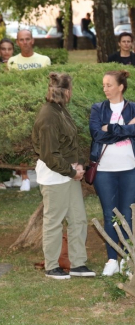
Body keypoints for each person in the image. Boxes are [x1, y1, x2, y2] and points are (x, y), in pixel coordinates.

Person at [32, 73, 96, 280]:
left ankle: (78, 264)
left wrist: (78, 165)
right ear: (66, 91)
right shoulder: (48, 115)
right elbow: (50, 155)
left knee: (78, 219)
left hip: (68, 174)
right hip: (54, 176)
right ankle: (52, 266)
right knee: (54, 221)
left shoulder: (60, 110)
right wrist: (71, 171)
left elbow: (71, 141)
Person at [89, 70, 135, 276]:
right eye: (103, 85)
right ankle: (112, 259)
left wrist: (109, 129)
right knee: (109, 214)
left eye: (109, 85)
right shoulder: (97, 108)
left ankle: (127, 259)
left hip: (131, 170)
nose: (105, 89)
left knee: (127, 214)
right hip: (104, 171)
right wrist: (121, 128)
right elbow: (96, 134)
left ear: (120, 87)